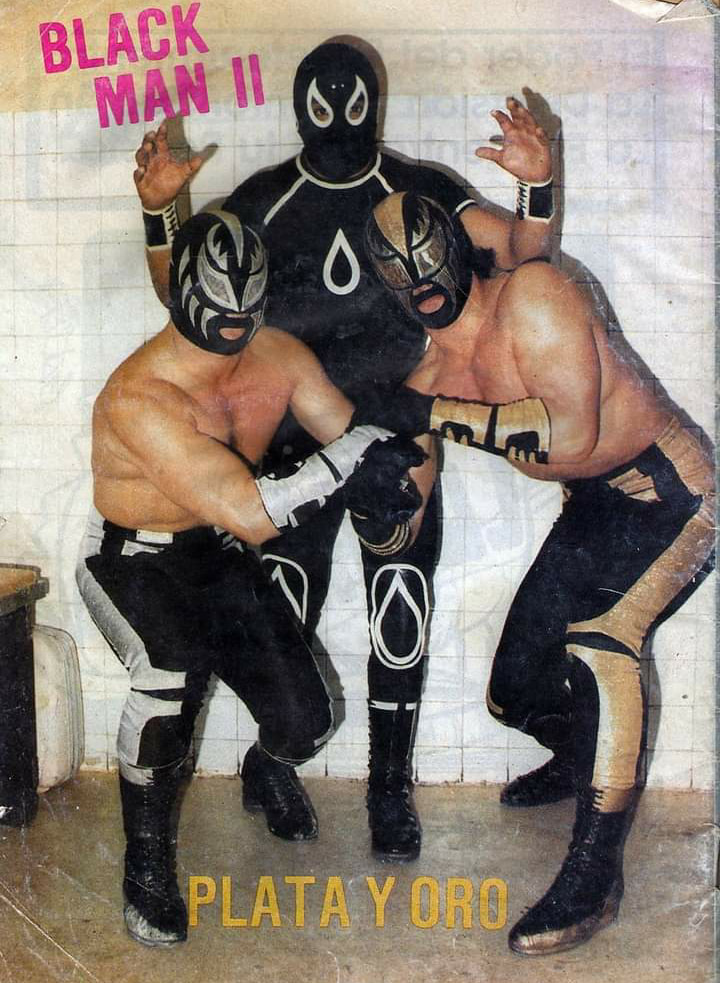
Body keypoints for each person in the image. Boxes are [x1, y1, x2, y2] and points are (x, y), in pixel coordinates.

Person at [132, 37, 556, 861]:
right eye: (322, 102)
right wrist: (160, 209)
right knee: (287, 600)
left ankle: (388, 786)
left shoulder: (416, 189)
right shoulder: (266, 198)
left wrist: (536, 184)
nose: (335, 117)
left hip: (398, 422)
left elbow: (520, 252)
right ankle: (273, 760)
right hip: (294, 434)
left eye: (348, 101)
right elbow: (185, 290)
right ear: (301, 107)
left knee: (399, 598)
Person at [357, 190, 715, 954]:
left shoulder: (534, 293)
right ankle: (584, 759)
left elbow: (572, 433)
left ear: (459, 246)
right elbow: (402, 521)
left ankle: (595, 875)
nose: (421, 279)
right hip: (592, 507)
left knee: (601, 641)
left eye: (428, 256)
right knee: (514, 689)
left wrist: (435, 417)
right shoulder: (427, 376)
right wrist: (375, 506)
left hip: (672, 492)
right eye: (400, 269)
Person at [76, 210, 424, 947]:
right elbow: (257, 513)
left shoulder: (280, 356)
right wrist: (356, 459)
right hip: (132, 559)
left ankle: (265, 770)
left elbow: (349, 433)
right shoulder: (139, 394)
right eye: (219, 313)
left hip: (215, 553)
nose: (233, 330)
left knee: (307, 720)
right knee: (168, 675)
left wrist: (385, 472)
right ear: (183, 300)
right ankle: (146, 866)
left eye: (244, 313)